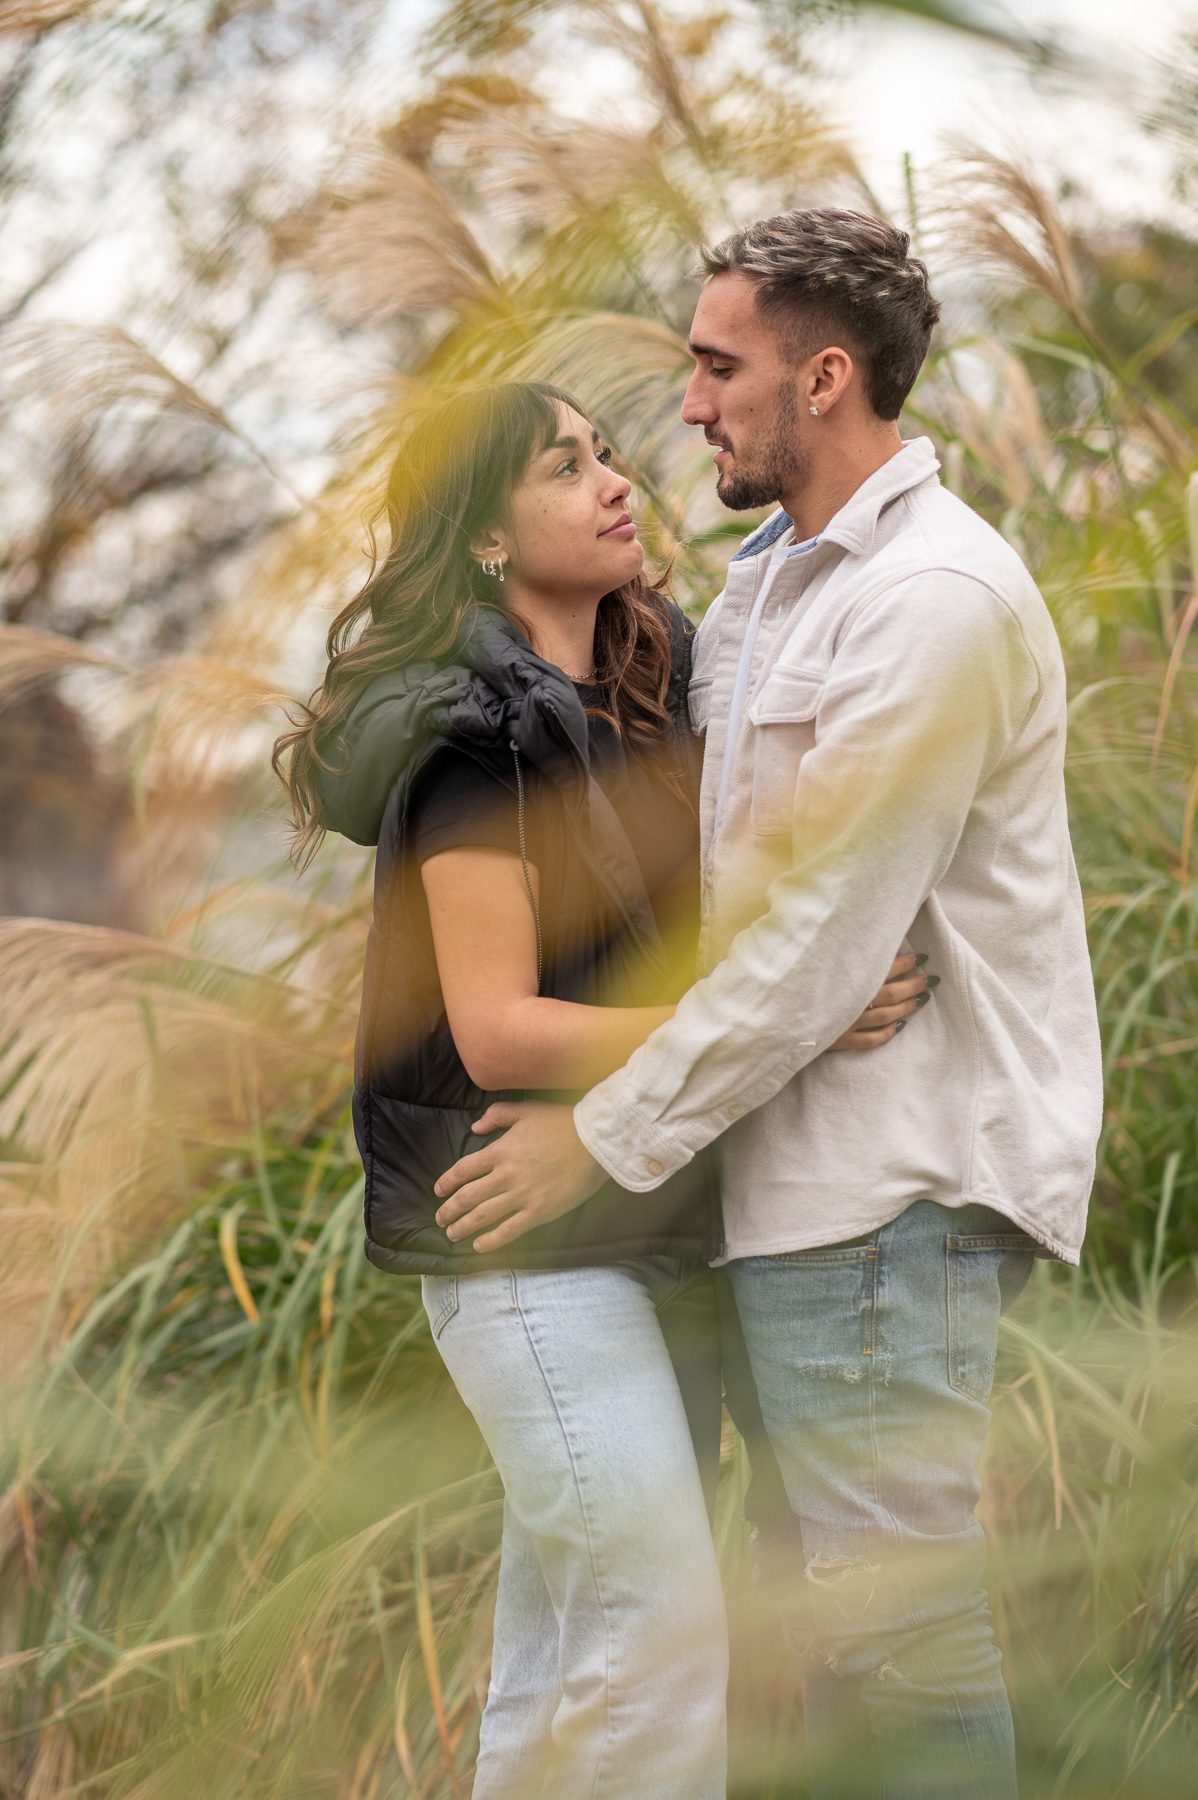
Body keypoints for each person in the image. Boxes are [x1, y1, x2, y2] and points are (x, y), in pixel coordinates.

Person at [431, 213, 1105, 1799]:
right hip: (793, 1195)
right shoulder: (768, 588)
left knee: (895, 1643)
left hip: (887, 1187)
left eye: (715, 366)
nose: (688, 406)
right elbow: (727, 903)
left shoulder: (931, 600)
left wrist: (597, 1133)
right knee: (817, 1666)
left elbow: (809, 950)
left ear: (821, 376)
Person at [272, 379, 926, 1800]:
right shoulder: (469, 729)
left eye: (610, 452)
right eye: (563, 467)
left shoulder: (661, 681)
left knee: (566, 1659)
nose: (615, 479)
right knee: (658, 1636)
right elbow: (500, 1033)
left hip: (643, 1222)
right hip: (519, 1247)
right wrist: (788, 1018)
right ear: (486, 541)